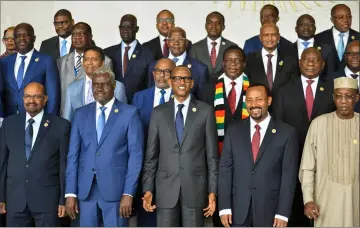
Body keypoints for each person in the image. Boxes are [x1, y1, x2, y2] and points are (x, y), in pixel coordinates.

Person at [65, 68, 144, 226]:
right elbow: (73, 155)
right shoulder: (80, 114)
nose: (99, 88)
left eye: (105, 84)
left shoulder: (129, 113)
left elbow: (136, 156)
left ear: (114, 85)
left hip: (116, 191)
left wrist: (128, 193)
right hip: (85, 191)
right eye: (95, 85)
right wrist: (70, 192)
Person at [142, 65, 218, 226]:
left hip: (195, 188)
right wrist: (148, 189)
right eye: (177, 78)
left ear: (192, 83)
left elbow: (212, 157)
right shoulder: (158, 112)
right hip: (165, 188)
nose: (181, 81)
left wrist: (213, 191)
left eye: (186, 78)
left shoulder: (206, 111)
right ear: (170, 82)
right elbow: (151, 155)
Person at [218, 83, 299, 227]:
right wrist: (224, 207)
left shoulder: (287, 133)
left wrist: (283, 212)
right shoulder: (233, 131)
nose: (253, 104)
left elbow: (289, 176)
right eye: (249, 100)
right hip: (237, 211)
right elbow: (225, 170)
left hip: (271, 212)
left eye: (258, 99)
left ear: (269, 101)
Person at [273, 47, 336, 226]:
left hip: (324, 158)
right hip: (291, 157)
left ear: (322, 64)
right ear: (299, 63)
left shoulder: (332, 89)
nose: (310, 63)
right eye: (306, 59)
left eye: (315, 60)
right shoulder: (283, 91)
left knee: (322, 207)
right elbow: (277, 126)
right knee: (294, 208)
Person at [0, 82, 70, 226]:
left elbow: (65, 166)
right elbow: (2, 163)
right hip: (15, 199)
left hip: (48, 201)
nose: (31, 100)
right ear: (22, 98)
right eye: (28, 96)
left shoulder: (61, 125)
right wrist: (1, 197)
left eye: (37, 96)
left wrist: (63, 199)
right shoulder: (9, 124)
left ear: (45, 99)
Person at [299, 77, 359, 227]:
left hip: (356, 202)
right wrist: (308, 200)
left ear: (357, 98)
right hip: (324, 203)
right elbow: (307, 167)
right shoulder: (318, 124)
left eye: (348, 96)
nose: (343, 101)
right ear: (333, 98)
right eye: (339, 96)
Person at [199, 45, 248, 227]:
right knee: (221, 210)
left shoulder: (256, 88)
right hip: (217, 158)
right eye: (229, 60)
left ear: (244, 63)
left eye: (237, 60)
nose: (233, 64)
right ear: (223, 63)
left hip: (248, 159)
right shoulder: (208, 88)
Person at [132, 58, 176, 227]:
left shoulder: (182, 97)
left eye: (166, 72)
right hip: (146, 163)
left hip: (173, 166)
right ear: (153, 73)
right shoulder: (139, 97)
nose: (161, 75)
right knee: (147, 215)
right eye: (158, 71)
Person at [0, 23, 60, 117]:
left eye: (26, 35)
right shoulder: (4, 62)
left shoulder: (46, 61)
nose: (22, 38)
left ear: (34, 38)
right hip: (8, 120)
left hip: (37, 118)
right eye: (18, 36)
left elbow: (53, 96)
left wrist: (50, 121)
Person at [63, 47, 126, 122]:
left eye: (94, 59)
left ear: (102, 63)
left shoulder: (117, 87)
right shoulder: (72, 88)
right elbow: (66, 120)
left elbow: (122, 118)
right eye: (86, 59)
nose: (89, 62)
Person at [244, 23, 298, 109]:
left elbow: (294, 86)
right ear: (260, 38)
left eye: (273, 35)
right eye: (266, 35)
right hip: (258, 109)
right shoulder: (249, 60)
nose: (270, 38)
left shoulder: (290, 59)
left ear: (279, 37)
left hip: (284, 109)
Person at [57, 22, 107, 114]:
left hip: (95, 113)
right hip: (67, 113)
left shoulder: (106, 60)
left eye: (81, 33)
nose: (77, 37)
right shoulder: (61, 61)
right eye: (74, 34)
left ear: (90, 37)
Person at [147, 27, 209, 98]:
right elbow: (150, 94)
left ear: (186, 43)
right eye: (172, 39)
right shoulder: (154, 65)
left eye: (180, 39)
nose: (176, 43)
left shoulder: (200, 69)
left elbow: (202, 101)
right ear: (167, 42)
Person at [104, 14, 154, 103]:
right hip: (113, 104)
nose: (125, 30)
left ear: (136, 29)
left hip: (139, 104)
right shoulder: (108, 52)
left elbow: (150, 84)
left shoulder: (148, 54)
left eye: (129, 27)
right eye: (122, 27)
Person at [190, 11, 237, 80]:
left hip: (224, 88)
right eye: (210, 23)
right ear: (206, 26)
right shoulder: (195, 48)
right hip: (201, 89)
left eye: (217, 23)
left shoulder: (232, 47)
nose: (213, 26)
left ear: (223, 27)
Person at [315, 4, 360, 73]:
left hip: (353, 82)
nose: (346, 20)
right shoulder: (318, 38)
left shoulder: (358, 37)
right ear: (332, 20)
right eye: (341, 17)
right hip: (325, 83)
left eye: (349, 17)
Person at [332, 40, 360, 112]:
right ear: (345, 56)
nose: (355, 56)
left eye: (359, 53)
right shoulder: (332, 78)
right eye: (350, 53)